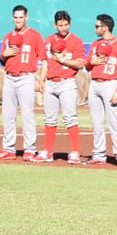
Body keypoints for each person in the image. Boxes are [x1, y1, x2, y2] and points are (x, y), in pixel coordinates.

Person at [0, 5, 46, 161]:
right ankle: (9, 148)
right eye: (15, 17)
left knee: (28, 114)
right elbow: (2, 60)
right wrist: (4, 54)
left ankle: (30, 148)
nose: (18, 20)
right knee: (8, 114)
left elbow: (43, 58)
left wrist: (41, 79)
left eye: (21, 17)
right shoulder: (8, 36)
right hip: (9, 77)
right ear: (12, 18)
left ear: (26, 17)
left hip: (26, 77)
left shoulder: (35, 35)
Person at [35, 10, 86, 164]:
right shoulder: (49, 39)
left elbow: (80, 63)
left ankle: (75, 152)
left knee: (70, 117)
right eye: (60, 25)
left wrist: (63, 60)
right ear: (55, 24)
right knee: (49, 119)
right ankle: (48, 152)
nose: (63, 28)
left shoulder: (76, 41)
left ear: (69, 24)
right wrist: (41, 80)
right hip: (50, 82)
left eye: (65, 25)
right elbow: (44, 61)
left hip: (67, 82)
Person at [85, 14, 117, 167]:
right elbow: (87, 66)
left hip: (111, 84)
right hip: (95, 84)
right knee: (96, 122)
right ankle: (99, 153)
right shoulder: (95, 44)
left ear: (105, 27)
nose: (95, 28)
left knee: (114, 121)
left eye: (97, 26)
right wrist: (92, 61)